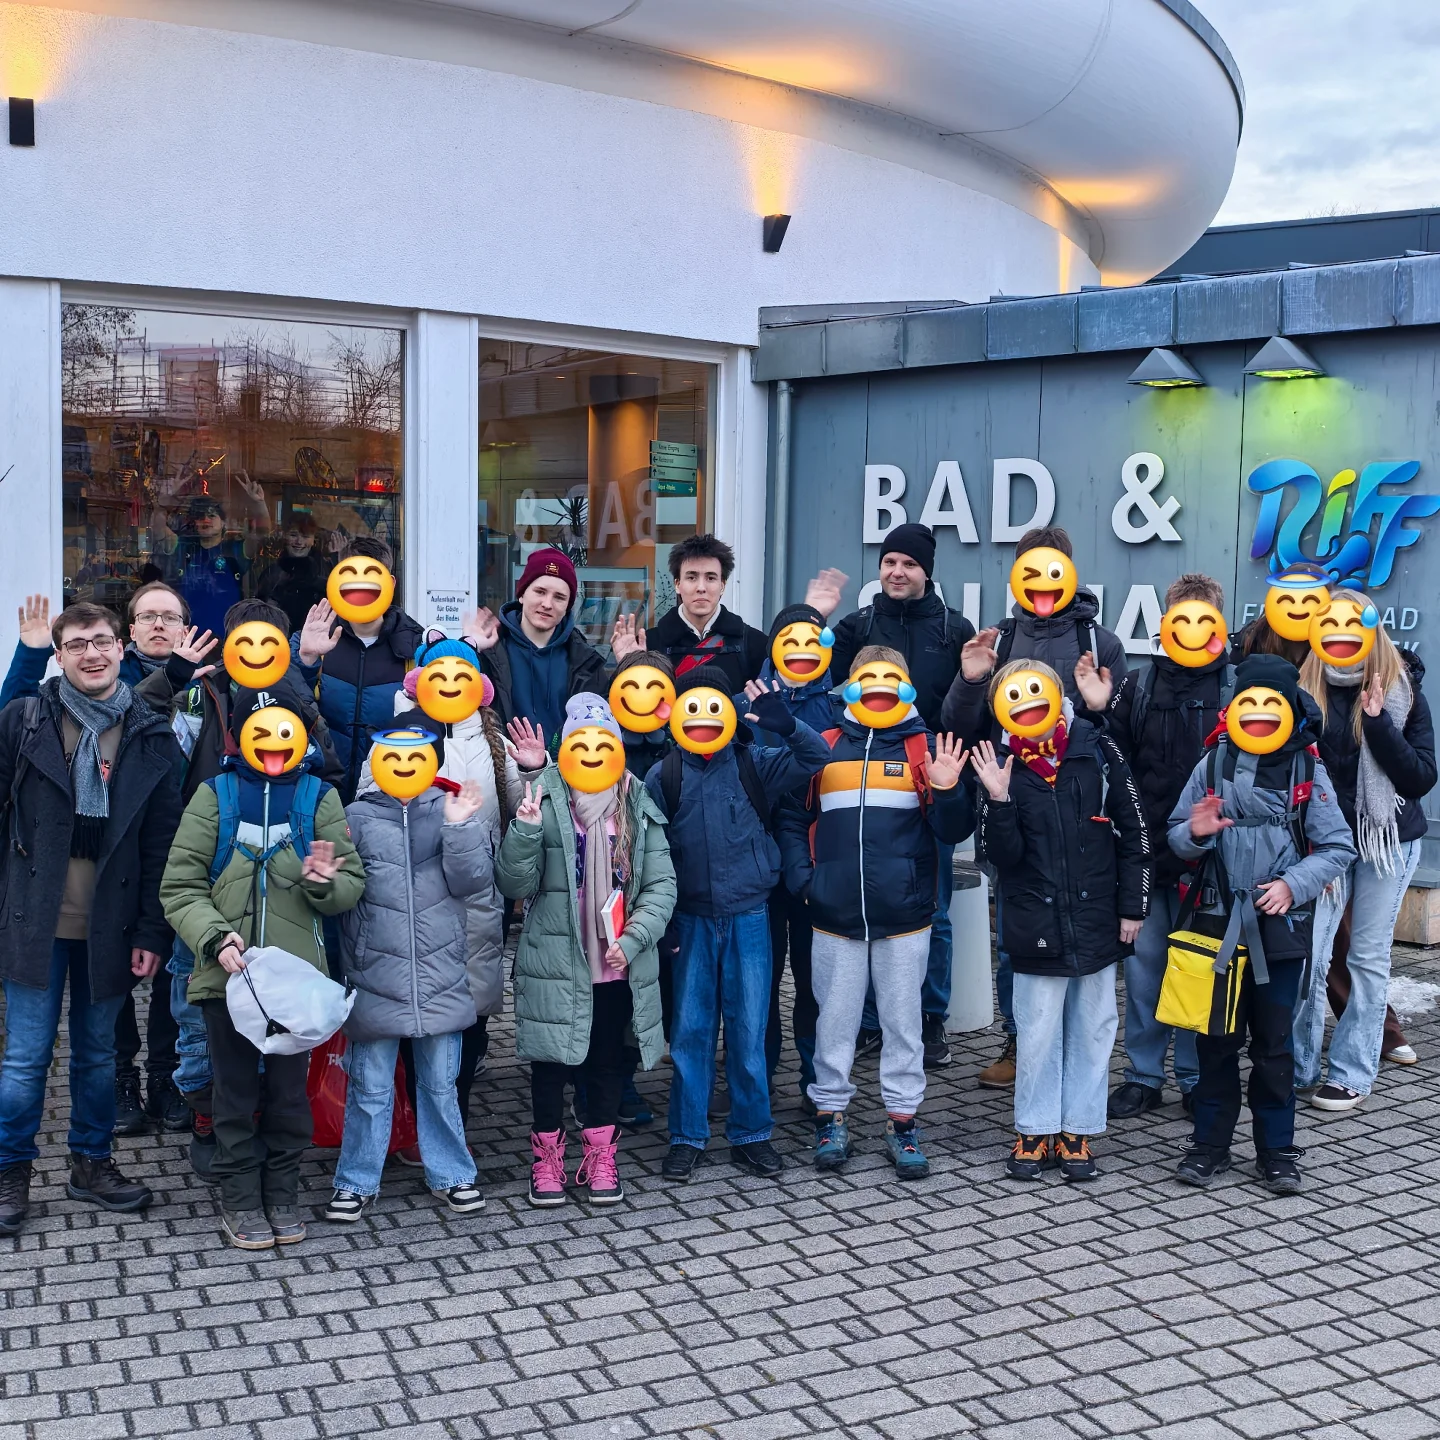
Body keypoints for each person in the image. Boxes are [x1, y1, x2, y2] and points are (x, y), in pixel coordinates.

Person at [132, 596, 344, 1179]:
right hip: (207, 864)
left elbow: (326, 761)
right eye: (244, 641)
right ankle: (207, 1110)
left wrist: (301, 674)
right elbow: (136, 718)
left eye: (269, 643)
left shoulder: (292, 697)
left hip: (276, 879)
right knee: (196, 1007)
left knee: (273, 1008)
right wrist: (175, 674)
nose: (256, 654)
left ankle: (252, 1129)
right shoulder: (202, 690)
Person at [0, 602, 184, 1238]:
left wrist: (156, 932)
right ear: (60, 655)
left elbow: (164, 844)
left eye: (101, 641)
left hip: (113, 924)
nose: (92, 654)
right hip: (33, 917)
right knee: (25, 1057)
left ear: (119, 647)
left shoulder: (148, 731)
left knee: (98, 1053)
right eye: (77, 644)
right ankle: (10, 1171)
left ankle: (91, 1163)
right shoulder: (27, 720)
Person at [160, 689, 364, 1250]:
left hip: (294, 985)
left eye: (285, 731)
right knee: (231, 1094)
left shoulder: (319, 797)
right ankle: (241, 1199)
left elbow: (351, 885)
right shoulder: (213, 795)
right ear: (242, 737)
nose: (273, 743)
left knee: (288, 1095)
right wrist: (213, 937)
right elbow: (180, 886)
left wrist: (323, 880)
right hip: (227, 978)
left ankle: (283, 1193)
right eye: (262, 729)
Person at [942, 525, 1128, 1090]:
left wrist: (1103, 705)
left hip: (1079, 807)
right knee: (1014, 927)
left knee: (1083, 915)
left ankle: (1075, 1044)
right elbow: (959, 725)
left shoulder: (1101, 641)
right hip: (1010, 799)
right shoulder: (997, 640)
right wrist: (971, 680)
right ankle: (1022, 1041)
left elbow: (1116, 728)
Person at [778, 646, 973, 1177]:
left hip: (904, 914)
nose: (880, 687)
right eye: (869, 679)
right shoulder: (827, 745)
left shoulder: (923, 747)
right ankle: (830, 1115)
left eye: (891, 679)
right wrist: (804, 879)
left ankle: (903, 1121)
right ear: (851, 686)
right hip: (834, 914)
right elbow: (794, 815)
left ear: (906, 686)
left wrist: (948, 788)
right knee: (834, 1021)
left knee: (903, 1023)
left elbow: (952, 831)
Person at [1167, 654, 1355, 1194]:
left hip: (1280, 929)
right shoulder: (1213, 765)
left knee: (1275, 1045)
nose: (1259, 716)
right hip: (1215, 922)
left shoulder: (1307, 769)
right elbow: (1179, 835)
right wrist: (1197, 833)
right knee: (1215, 1041)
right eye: (1248, 703)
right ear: (1234, 709)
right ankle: (1209, 1145)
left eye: (1270, 705)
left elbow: (1339, 846)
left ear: (1291, 711)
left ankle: (1276, 1150)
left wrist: (1292, 885)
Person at [646, 667, 832, 1182]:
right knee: (690, 1033)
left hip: (751, 916)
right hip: (691, 921)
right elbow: (648, 854)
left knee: (750, 1031)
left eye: (713, 707)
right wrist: (665, 925)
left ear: (729, 715)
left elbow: (818, 757)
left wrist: (789, 724)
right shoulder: (664, 776)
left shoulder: (757, 763)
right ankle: (687, 1135)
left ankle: (752, 1134)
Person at [970, 658, 1149, 1182]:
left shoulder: (1095, 745)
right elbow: (997, 857)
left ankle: (1078, 1130)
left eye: (1035, 693)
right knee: (1039, 1028)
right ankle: (1034, 1127)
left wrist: (1132, 907)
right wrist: (998, 799)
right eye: (1014, 696)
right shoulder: (999, 761)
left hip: (1095, 915)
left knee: (1094, 1027)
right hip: (1034, 922)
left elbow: (1134, 829)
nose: (1028, 704)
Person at [495, 695, 677, 1207]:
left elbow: (661, 885)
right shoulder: (544, 800)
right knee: (551, 1066)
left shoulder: (637, 803)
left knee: (604, 1065)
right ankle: (547, 1161)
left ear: (617, 750)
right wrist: (525, 832)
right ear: (566, 749)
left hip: (615, 964)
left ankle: (601, 1156)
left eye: (603, 744)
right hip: (555, 960)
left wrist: (634, 937)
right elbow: (513, 882)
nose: (593, 752)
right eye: (581, 744)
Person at [816, 526, 978, 1072]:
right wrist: (815, 620)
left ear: (927, 569)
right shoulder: (858, 625)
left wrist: (949, 773)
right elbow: (813, 679)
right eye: (889, 561)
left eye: (909, 562)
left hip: (931, 777)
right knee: (865, 902)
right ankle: (867, 1023)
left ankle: (929, 1022)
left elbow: (968, 712)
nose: (897, 571)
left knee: (934, 908)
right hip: (862, 775)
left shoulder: (955, 630)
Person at [1075, 573, 1233, 1121]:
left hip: (1210, 860)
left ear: (1220, 626)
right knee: (1144, 970)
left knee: (1195, 968)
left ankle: (1192, 1077)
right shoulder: (1138, 687)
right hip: (1147, 856)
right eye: (1180, 620)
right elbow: (1110, 756)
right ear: (1165, 626)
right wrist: (1098, 707)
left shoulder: (1236, 690)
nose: (1190, 631)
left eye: (1202, 620)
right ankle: (1143, 1075)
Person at [355, 633, 522, 1133]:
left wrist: (532, 770)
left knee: (470, 1006)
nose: (450, 682)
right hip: (407, 898)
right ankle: (408, 1127)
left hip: (474, 888)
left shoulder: (495, 741)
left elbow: (517, 803)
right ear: (419, 680)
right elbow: (366, 797)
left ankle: (459, 1120)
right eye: (439, 673)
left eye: (461, 673)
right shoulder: (398, 733)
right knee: (412, 1012)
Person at [323, 758, 492, 1223]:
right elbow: (341, 897)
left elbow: (475, 880)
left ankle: (454, 1175)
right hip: (375, 974)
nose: (404, 766)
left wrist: (459, 828)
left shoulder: (450, 807)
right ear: (376, 762)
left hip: (440, 975)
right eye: (392, 756)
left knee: (441, 1085)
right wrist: (324, 878)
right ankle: (355, 1183)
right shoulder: (353, 816)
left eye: (416, 754)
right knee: (369, 1087)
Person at [1294, 600, 1435, 1110]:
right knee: (1310, 954)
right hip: (1324, 844)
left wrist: (1378, 724)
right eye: (1327, 625)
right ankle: (1298, 1065)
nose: (1339, 635)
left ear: (1372, 631)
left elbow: (1420, 776)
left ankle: (1352, 1071)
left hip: (1386, 842)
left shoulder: (1402, 692)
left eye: (1351, 626)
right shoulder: (1303, 689)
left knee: (1367, 956)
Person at [744, 603, 841, 1107]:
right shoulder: (747, 702)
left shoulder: (842, 704)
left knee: (812, 980)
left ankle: (813, 1079)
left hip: (814, 859)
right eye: (790, 640)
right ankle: (756, 1078)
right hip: (758, 863)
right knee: (758, 983)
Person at [294, 536, 423, 802]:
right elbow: (289, 709)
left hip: (388, 797)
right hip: (320, 792)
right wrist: (306, 660)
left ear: (390, 584)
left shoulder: (416, 646)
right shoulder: (311, 640)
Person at [472, 547, 607, 753]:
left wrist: (630, 661)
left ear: (568, 606)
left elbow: (603, 724)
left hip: (566, 775)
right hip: (500, 770)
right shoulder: (490, 650)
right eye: (540, 592)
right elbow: (444, 695)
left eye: (559, 597)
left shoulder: (585, 661)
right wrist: (467, 646)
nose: (547, 604)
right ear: (522, 594)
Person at [645, 535, 768, 691]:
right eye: (691, 577)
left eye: (710, 578)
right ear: (677, 584)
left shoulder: (754, 644)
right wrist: (628, 664)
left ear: (722, 585)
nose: (701, 587)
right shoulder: (650, 643)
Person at [257, 516, 329, 633]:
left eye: (305, 536)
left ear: (313, 540)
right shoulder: (272, 571)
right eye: (293, 535)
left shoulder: (326, 568)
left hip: (316, 638)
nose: (299, 542)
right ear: (285, 536)